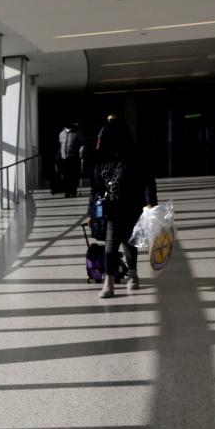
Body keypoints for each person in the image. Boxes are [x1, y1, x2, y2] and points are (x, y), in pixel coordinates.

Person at [88, 117, 157, 299]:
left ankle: (133, 275)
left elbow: (148, 181)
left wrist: (150, 203)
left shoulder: (134, 157)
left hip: (131, 207)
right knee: (111, 245)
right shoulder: (102, 159)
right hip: (110, 209)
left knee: (128, 244)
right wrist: (91, 212)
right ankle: (109, 282)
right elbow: (95, 189)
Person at [55, 122, 84, 197]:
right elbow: (60, 145)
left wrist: (81, 150)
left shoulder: (76, 133)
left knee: (73, 175)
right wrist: (58, 156)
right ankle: (67, 191)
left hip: (73, 158)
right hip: (63, 158)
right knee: (65, 176)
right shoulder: (61, 134)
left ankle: (73, 191)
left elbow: (82, 144)